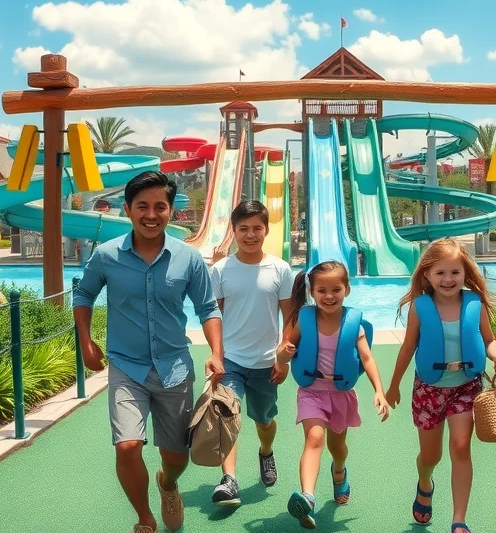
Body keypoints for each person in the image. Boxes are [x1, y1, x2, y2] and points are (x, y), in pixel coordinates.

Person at [73, 171, 225, 533]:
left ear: (171, 210)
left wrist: (217, 352)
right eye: (143, 206)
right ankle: (144, 516)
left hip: (174, 367)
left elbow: (208, 308)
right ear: (128, 209)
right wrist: (86, 341)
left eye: (160, 206)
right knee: (127, 446)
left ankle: (168, 484)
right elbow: (83, 295)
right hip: (127, 367)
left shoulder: (188, 258)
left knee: (176, 457)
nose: (151, 214)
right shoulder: (107, 256)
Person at [384, 238, 496, 533]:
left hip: (466, 387)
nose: (448, 279)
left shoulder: (474, 304)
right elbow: (407, 349)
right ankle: (425, 483)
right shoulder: (421, 307)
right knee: (431, 456)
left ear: (465, 274)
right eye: (440, 273)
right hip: (428, 389)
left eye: (455, 272)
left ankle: (459, 521)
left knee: (461, 446)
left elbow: (489, 339)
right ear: (427, 275)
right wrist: (393, 387)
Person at [276, 261, 390, 529]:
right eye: (322, 290)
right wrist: (283, 355)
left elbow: (368, 359)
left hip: (340, 394)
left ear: (347, 289)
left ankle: (339, 472)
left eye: (336, 289)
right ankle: (308, 497)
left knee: (337, 448)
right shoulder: (305, 320)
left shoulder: (354, 324)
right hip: (311, 392)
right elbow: (284, 353)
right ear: (313, 293)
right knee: (314, 438)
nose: (329, 296)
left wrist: (379, 391)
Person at [207, 201, 294, 507]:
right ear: (234, 231)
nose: (250, 234)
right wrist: (216, 355)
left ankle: (266, 452)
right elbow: (212, 317)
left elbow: (290, 318)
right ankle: (229, 480)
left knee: (264, 420)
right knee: (226, 416)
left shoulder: (281, 269)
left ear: (266, 230)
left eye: (257, 228)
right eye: (243, 228)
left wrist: (283, 359)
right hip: (231, 360)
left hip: (266, 363)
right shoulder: (220, 270)